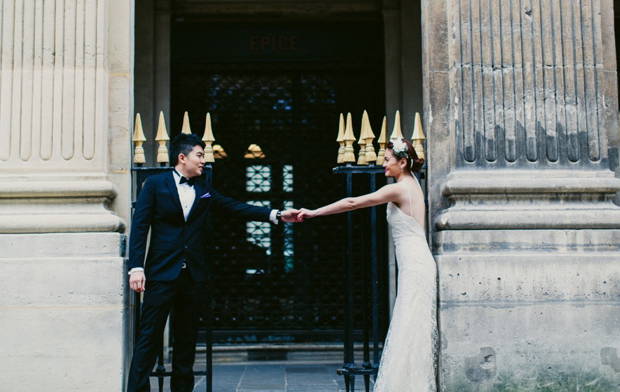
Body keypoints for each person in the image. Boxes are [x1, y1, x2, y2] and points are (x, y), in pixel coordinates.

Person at [127, 133, 299, 392]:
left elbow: (234, 207)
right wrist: (136, 267)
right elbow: (140, 228)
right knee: (148, 339)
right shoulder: (154, 184)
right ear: (181, 157)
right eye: (200, 155)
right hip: (161, 274)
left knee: (186, 342)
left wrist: (275, 214)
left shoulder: (203, 189)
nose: (204, 161)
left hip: (193, 276)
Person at [296, 138, 437, 392]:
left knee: (409, 328)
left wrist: (315, 212)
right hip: (416, 262)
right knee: (411, 330)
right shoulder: (411, 184)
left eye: (387, 160)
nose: (382, 164)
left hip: (415, 265)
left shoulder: (399, 188)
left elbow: (352, 202)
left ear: (402, 162)